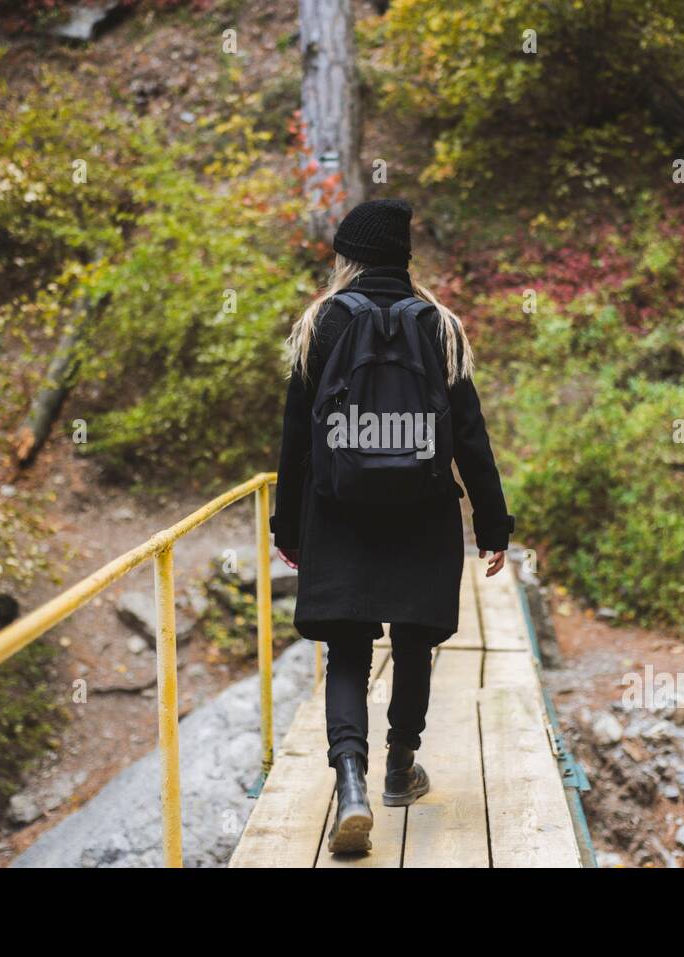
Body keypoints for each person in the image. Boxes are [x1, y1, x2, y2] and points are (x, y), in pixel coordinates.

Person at [270, 198, 514, 854]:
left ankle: (350, 780)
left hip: (338, 510)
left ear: (348, 258)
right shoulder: (440, 327)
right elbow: (468, 435)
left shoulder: (320, 323)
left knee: (346, 647)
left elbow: (296, 439)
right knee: (412, 641)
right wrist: (493, 524)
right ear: (402, 260)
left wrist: (285, 527)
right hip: (423, 510)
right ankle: (400, 768)